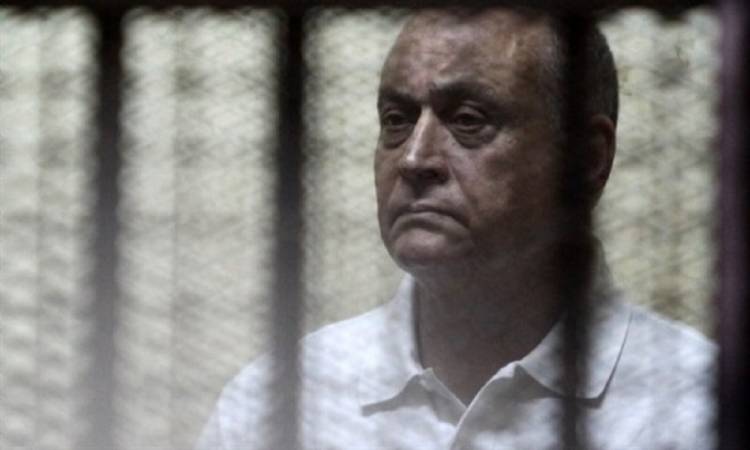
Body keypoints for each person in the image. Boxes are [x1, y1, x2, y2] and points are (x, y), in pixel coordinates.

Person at [197, 7, 715, 449]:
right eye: (396, 120)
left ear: (586, 159)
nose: (414, 159)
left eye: (468, 120)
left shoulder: (700, 409)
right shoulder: (277, 403)